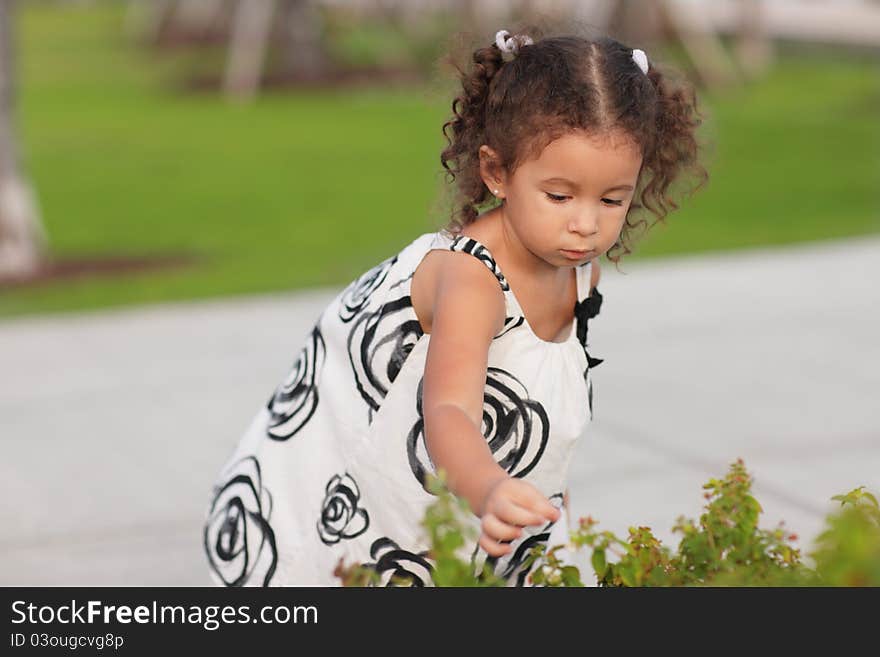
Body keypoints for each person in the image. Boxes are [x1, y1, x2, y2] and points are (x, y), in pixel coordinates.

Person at [203, 26, 708, 587]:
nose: (586, 223)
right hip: (384, 489)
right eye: (560, 196)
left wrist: (537, 490)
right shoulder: (473, 281)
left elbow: (536, 391)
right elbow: (449, 413)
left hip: (475, 493)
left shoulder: (572, 264)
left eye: (612, 199)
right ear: (497, 173)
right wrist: (490, 488)